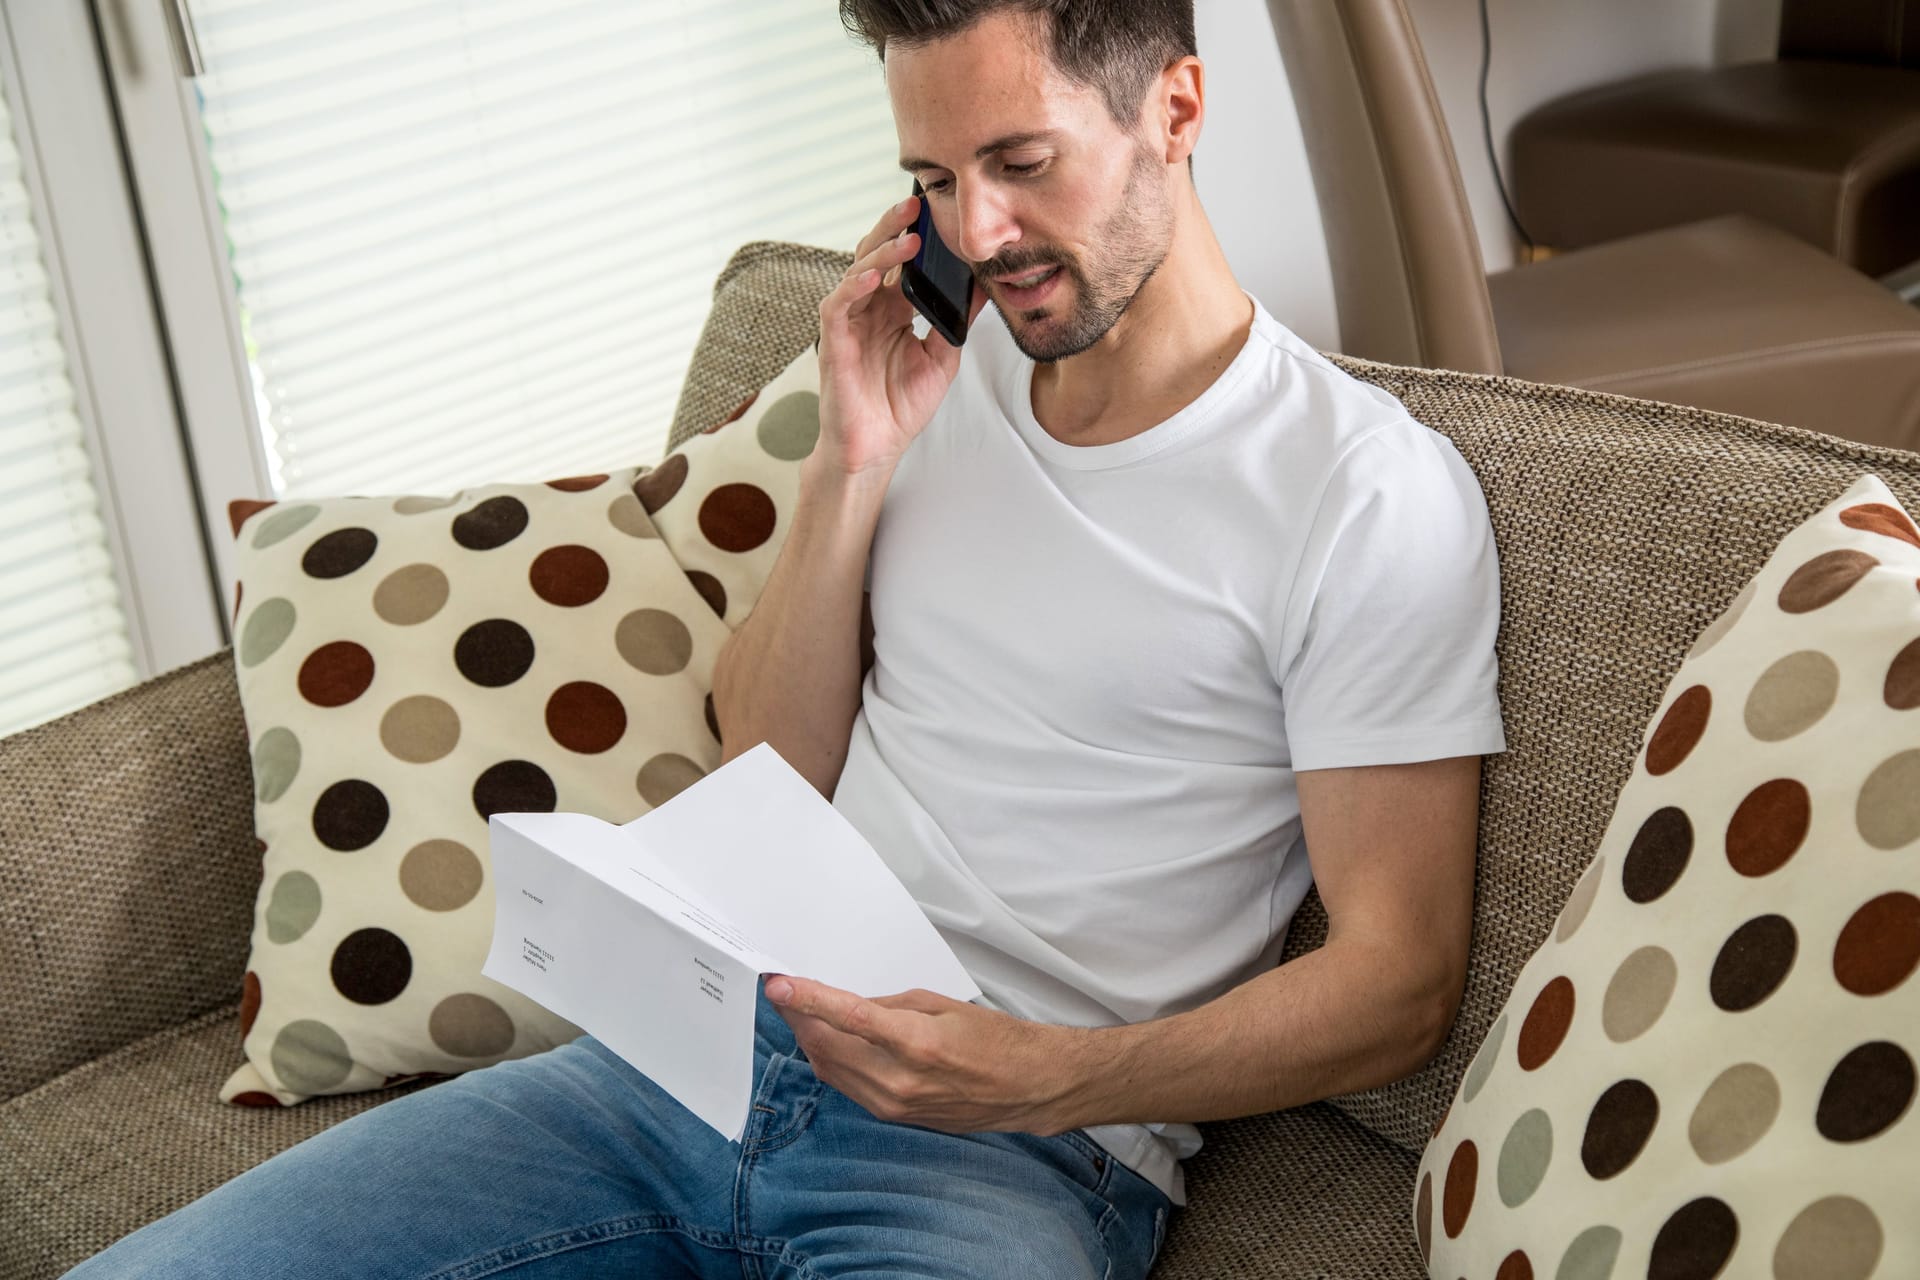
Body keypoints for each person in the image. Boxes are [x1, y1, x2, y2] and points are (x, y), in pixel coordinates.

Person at [70, 1, 1502, 1276]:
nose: (979, 235)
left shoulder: (1363, 496)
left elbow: (1399, 983)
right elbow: (764, 754)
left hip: (1016, 1153)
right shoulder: (945, 378)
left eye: (1021, 162)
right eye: (933, 181)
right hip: (680, 1065)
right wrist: (853, 460)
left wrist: (1048, 1075)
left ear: (1175, 110)